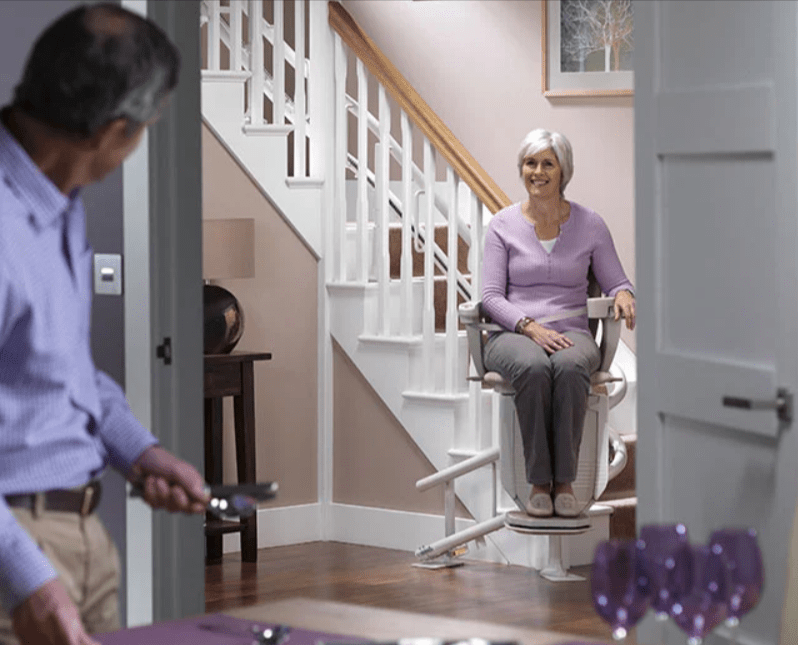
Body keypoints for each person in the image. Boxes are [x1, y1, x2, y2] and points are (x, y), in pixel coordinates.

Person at [0, 4, 210, 645]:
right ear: (114, 130)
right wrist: (24, 575)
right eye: (145, 127)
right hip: (18, 555)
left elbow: (62, 368)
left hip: (83, 533)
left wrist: (140, 451)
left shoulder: (56, 204)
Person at [481, 128, 635, 519]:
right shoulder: (501, 225)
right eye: (530, 163)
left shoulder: (590, 224)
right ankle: (538, 482)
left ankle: (564, 482)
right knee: (533, 367)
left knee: (567, 367)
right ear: (522, 169)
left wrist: (623, 294)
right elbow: (491, 297)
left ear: (563, 170)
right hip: (513, 333)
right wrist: (529, 326)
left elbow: (617, 279)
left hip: (572, 332)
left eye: (547, 163)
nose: (538, 172)